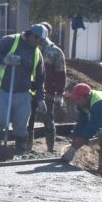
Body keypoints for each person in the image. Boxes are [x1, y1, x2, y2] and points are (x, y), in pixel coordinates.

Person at [0, 24, 46, 155]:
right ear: (33, 36)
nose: (40, 44)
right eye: (39, 41)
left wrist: (40, 98)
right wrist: (5, 59)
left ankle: (20, 151)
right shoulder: (10, 41)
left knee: (21, 126)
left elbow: (40, 78)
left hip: (23, 94)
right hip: (1, 90)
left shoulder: (36, 53)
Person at [32, 22, 68, 152]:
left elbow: (60, 74)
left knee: (48, 120)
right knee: (28, 120)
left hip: (47, 92)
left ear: (49, 33)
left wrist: (59, 94)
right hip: (29, 90)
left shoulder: (55, 52)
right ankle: (26, 147)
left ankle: (50, 148)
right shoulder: (30, 47)